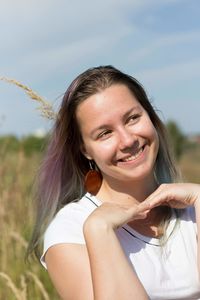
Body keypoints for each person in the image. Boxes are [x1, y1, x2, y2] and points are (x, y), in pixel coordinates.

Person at [27, 65, 200, 300]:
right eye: (105, 133)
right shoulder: (71, 230)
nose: (127, 140)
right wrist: (100, 231)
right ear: (85, 150)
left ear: (151, 117)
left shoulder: (192, 208)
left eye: (132, 118)